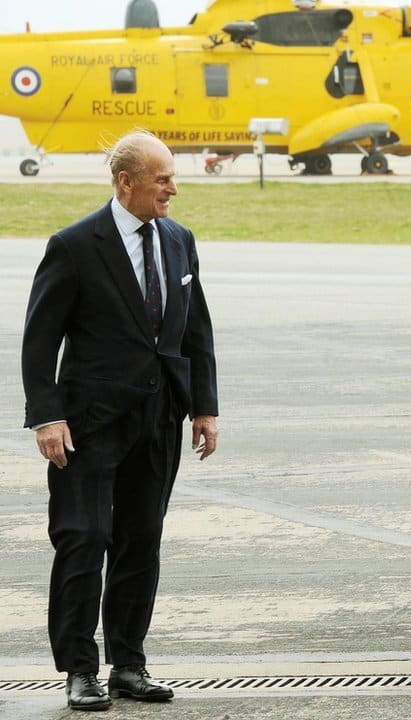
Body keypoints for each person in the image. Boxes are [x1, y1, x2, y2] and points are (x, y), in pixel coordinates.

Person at [21, 130, 219, 711]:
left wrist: (204, 407)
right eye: (163, 180)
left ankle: (128, 665)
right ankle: (79, 669)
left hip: (158, 419)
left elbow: (196, 330)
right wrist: (47, 417)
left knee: (141, 540)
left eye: (173, 178)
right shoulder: (75, 245)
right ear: (126, 181)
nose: (173, 189)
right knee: (83, 539)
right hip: (88, 425)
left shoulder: (179, 240)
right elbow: (40, 340)